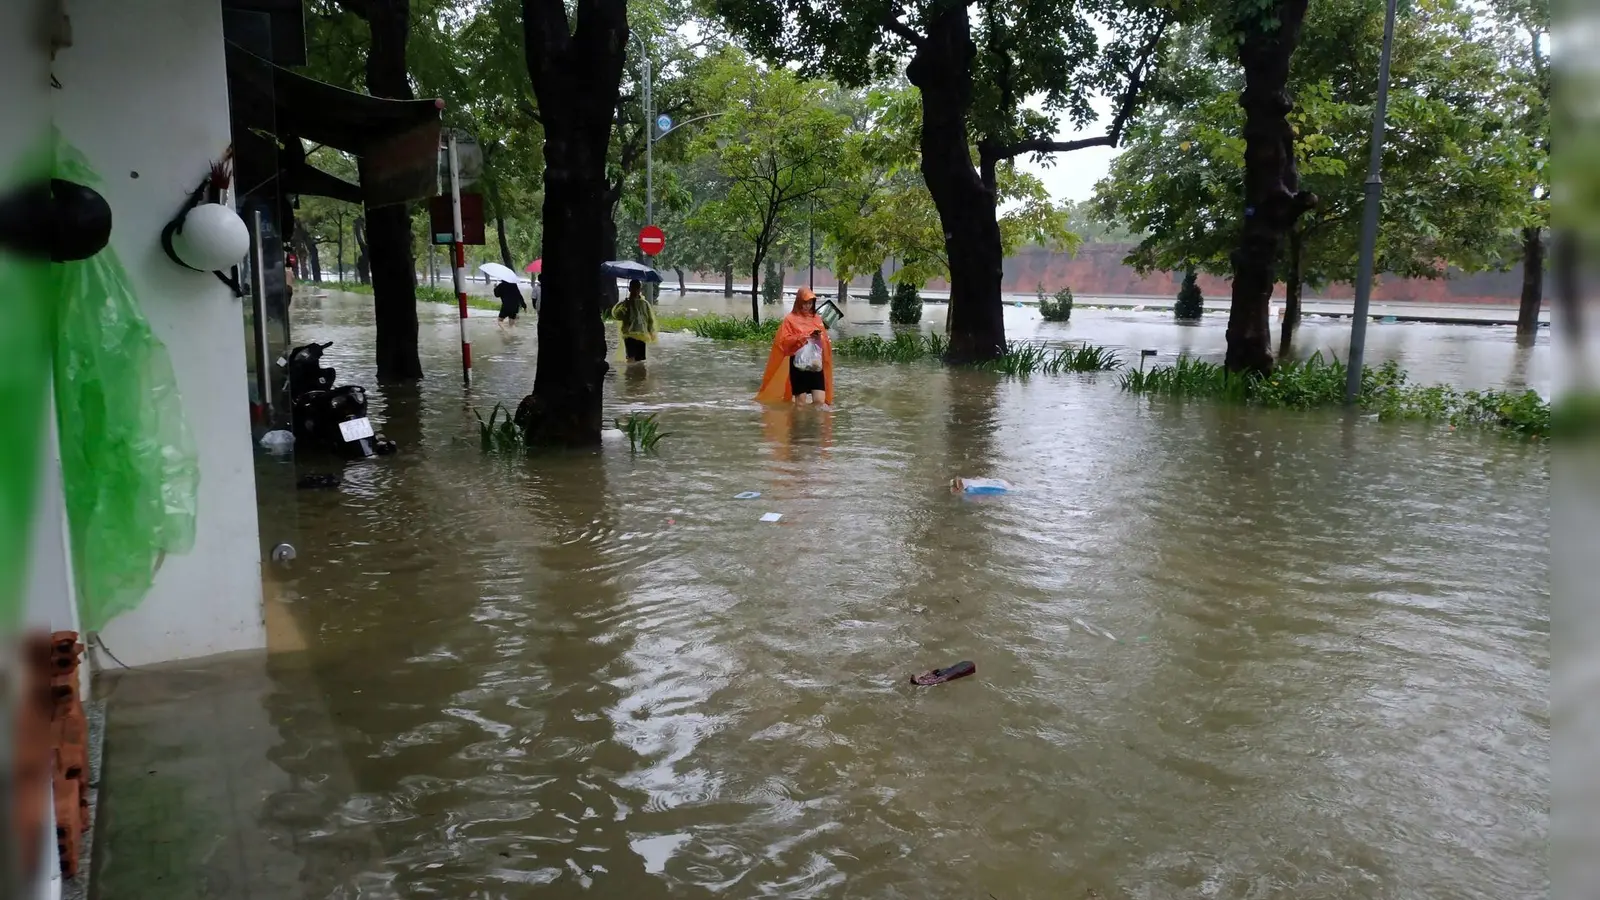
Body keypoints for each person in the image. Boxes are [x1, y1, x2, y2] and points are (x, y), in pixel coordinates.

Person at [757, 286, 833, 408]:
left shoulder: (817, 319)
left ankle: (814, 425)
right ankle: (799, 425)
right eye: (805, 303)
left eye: (810, 303)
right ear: (799, 302)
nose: (808, 306)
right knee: (801, 402)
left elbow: (824, 341)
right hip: (798, 364)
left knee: (819, 401)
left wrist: (818, 337)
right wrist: (802, 337)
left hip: (815, 363)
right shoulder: (790, 319)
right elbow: (783, 341)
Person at [613, 279, 657, 364]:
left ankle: (638, 375)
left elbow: (649, 319)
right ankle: (630, 375)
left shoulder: (644, 303)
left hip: (641, 334)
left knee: (640, 360)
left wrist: (651, 331)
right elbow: (616, 315)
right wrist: (625, 307)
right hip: (629, 334)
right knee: (631, 358)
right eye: (633, 288)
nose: (635, 291)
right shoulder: (624, 303)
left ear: (640, 289)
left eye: (637, 288)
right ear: (629, 289)